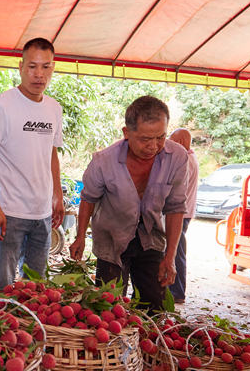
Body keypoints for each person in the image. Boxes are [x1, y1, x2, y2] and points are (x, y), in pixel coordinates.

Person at [68, 96, 187, 312]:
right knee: (108, 307)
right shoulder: (104, 161)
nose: (154, 146)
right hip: (112, 240)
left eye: (161, 137)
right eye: (144, 139)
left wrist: (170, 257)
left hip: (152, 239)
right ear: (126, 133)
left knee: (154, 308)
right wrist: (79, 237)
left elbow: (176, 208)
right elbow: (88, 198)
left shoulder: (177, 157)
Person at [0, 37, 64, 296]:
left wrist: (57, 196)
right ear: (20, 67)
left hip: (42, 214)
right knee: (1, 285)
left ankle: (27, 335)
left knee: (35, 288)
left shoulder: (54, 108)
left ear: (53, 68)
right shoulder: (1, 106)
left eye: (45, 67)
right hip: (10, 213)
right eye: (32, 67)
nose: (39, 74)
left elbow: (51, 155)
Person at [168, 128, 199, 304]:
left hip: (181, 213)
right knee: (176, 249)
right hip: (184, 211)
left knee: (176, 251)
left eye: (171, 141)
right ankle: (175, 290)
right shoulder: (190, 157)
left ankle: (177, 292)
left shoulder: (185, 160)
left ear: (179, 142)